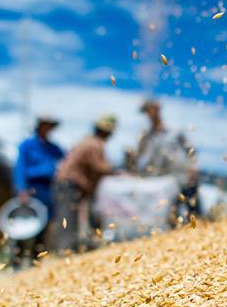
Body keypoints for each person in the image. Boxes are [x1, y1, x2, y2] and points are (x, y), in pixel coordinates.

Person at [52, 114, 117, 253]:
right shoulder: (94, 144)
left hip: (70, 183)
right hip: (68, 184)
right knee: (67, 218)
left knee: (71, 217)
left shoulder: (88, 141)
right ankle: (66, 252)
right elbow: (99, 167)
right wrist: (117, 171)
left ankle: (71, 249)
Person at [11, 115, 64, 267]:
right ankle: (17, 262)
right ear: (39, 126)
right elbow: (20, 167)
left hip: (47, 189)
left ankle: (36, 261)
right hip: (31, 189)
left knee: (44, 225)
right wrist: (22, 189)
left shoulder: (52, 147)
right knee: (23, 226)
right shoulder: (27, 145)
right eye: (45, 125)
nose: (48, 129)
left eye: (50, 126)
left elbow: (65, 158)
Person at [132, 99, 199, 218]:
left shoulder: (175, 129)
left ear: (157, 109)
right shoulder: (147, 135)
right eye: (146, 112)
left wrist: (194, 167)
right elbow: (139, 155)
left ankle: (199, 232)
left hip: (182, 176)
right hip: (161, 180)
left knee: (193, 209)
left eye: (149, 110)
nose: (148, 114)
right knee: (170, 212)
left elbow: (190, 150)